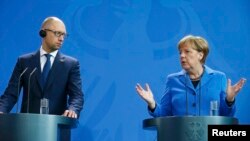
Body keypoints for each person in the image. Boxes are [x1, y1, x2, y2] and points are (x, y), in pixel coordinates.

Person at [136, 35, 246, 117]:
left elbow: (226, 116)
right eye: (180, 52)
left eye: (187, 51)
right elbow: (164, 115)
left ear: (200, 55)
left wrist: (229, 100)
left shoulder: (219, 77)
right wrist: (152, 103)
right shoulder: (172, 80)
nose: (182, 56)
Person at [0, 16, 84, 118]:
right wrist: (1, 110)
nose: (61, 39)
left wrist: (72, 109)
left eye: (64, 35)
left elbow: (77, 96)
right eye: (57, 33)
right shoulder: (24, 62)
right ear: (43, 33)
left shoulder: (71, 64)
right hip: (27, 126)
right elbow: (11, 94)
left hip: (56, 127)